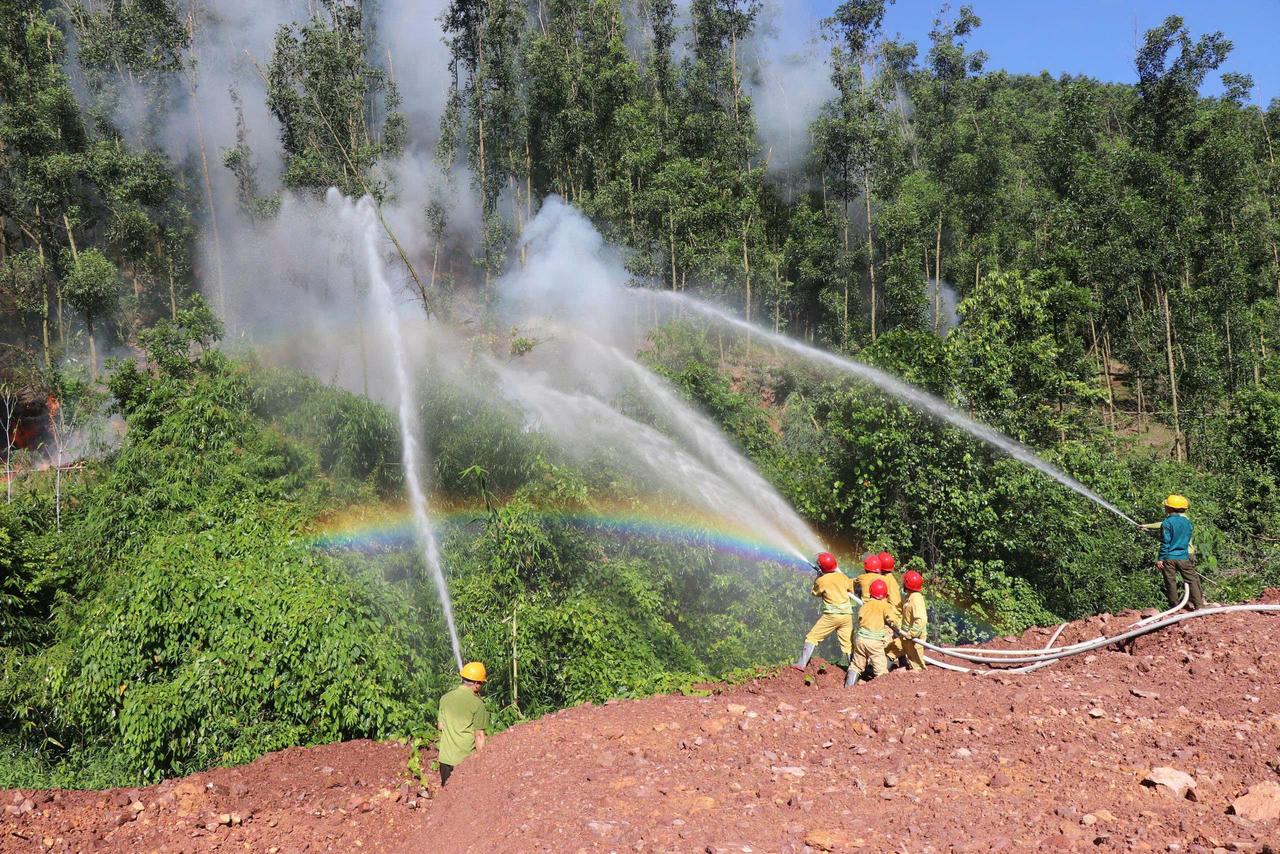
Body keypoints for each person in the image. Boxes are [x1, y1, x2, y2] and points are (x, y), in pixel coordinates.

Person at [791, 552, 856, 671]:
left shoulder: (822, 580)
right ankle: (855, 669)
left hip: (832, 616)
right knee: (848, 645)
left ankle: (802, 663)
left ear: (821, 567)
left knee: (812, 637)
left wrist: (818, 577)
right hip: (847, 616)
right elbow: (850, 589)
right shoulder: (843, 577)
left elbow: (815, 592)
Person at [1140, 494, 1204, 610]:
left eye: (1166, 506)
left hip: (1169, 558)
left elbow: (1166, 542)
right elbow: (1184, 539)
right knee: (1192, 580)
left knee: (1170, 582)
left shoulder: (1167, 523)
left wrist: (1160, 558)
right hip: (1184, 557)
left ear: (1169, 508)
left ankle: (1174, 607)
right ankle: (1199, 606)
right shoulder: (1187, 522)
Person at [437, 661, 490, 786]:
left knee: (447, 796)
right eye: (482, 683)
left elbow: (440, 726)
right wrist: (481, 762)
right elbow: (479, 736)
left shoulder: (445, 698)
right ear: (477, 684)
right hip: (465, 761)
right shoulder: (477, 704)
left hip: (445, 760)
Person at [846, 578, 899, 687]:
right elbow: (893, 619)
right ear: (885, 594)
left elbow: (860, 618)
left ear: (871, 591)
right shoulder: (884, 605)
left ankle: (848, 688)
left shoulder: (865, 605)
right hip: (874, 643)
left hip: (860, 640)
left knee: (856, 665)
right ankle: (881, 692)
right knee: (880, 668)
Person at [896, 570, 929, 670]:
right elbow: (901, 608)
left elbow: (921, 620)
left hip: (915, 638)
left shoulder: (916, 599)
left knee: (916, 662)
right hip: (907, 635)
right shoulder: (908, 597)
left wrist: (911, 633)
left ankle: (921, 677)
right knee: (892, 650)